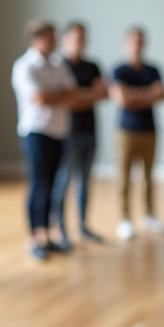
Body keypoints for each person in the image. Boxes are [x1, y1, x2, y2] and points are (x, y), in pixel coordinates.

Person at [11, 19, 83, 261]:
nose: (54, 42)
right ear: (36, 38)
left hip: (59, 131)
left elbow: (73, 94)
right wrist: (59, 96)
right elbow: (40, 98)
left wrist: (57, 96)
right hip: (36, 132)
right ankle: (35, 236)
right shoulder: (25, 66)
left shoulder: (57, 63)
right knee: (38, 185)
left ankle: (47, 235)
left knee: (53, 187)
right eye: (50, 37)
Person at [50, 21, 108, 245]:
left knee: (85, 180)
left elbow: (103, 94)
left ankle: (83, 225)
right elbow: (67, 100)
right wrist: (87, 96)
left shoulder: (92, 65)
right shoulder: (59, 66)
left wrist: (78, 96)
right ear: (65, 39)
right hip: (67, 132)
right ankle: (61, 229)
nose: (80, 42)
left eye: (83, 37)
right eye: (76, 37)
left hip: (89, 130)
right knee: (63, 181)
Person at [111, 27, 164, 241]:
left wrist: (134, 94)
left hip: (150, 129)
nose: (137, 44)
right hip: (126, 131)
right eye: (133, 41)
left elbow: (162, 94)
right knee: (124, 178)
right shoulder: (119, 70)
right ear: (126, 43)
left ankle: (149, 215)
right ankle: (125, 219)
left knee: (149, 177)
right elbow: (122, 99)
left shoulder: (153, 69)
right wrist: (147, 94)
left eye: (141, 41)